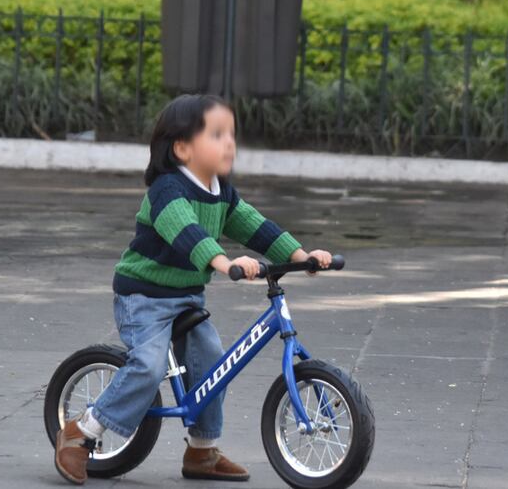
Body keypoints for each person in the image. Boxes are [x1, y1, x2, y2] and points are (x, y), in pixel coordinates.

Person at [53, 94, 333, 485]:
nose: (229, 143)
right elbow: (187, 233)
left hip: (185, 297)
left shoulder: (221, 191)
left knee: (213, 362)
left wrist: (302, 255)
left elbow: (255, 225)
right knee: (149, 365)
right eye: (217, 134)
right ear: (182, 148)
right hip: (144, 296)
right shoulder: (167, 190)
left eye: (231, 134)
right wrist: (225, 263)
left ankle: (202, 451)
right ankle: (82, 430)